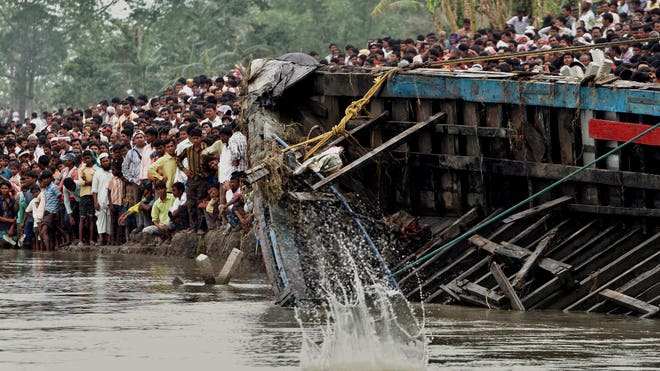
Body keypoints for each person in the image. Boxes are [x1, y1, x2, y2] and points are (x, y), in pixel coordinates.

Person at [176, 128, 207, 233]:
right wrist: (184, 170)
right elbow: (178, 159)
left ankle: (201, 227)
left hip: (202, 179)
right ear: (190, 138)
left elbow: (213, 160)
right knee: (190, 204)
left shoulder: (206, 149)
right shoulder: (188, 150)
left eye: (197, 138)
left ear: (201, 138)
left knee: (200, 202)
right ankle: (193, 226)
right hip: (191, 179)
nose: (195, 141)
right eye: (193, 138)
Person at [92, 153, 113, 246]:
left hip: (111, 200)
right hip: (100, 200)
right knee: (100, 220)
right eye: (103, 161)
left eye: (106, 161)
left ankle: (109, 239)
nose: (105, 163)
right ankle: (101, 239)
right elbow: (94, 190)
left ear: (109, 161)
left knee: (109, 219)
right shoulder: (97, 173)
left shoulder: (113, 172)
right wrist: (95, 202)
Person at [39, 170, 62, 251]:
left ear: (51, 178)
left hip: (52, 212)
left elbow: (60, 197)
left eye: (47, 178)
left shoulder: (53, 187)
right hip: (47, 211)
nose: (45, 180)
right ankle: (50, 253)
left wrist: (57, 211)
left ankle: (48, 251)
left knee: (43, 232)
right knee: (50, 233)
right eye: (44, 179)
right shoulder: (46, 188)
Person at [78, 150, 96, 246]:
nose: (87, 160)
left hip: (92, 195)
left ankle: (91, 239)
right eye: (85, 158)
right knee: (82, 218)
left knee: (91, 218)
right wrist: (90, 182)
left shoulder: (95, 169)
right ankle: (81, 240)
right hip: (83, 196)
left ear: (92, 158)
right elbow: (81, 183)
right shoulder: (81, 169)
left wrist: (87, 182)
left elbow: (96, 182)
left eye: (88, 158)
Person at [0, 181, 18, 247]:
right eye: (2, 188)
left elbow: (15, 215)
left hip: (11, 227)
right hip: (1, 227)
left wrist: (12, 227)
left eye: (6, 188)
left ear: (9, 189)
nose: (4, 190)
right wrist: (10, 220)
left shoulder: (13, 199)